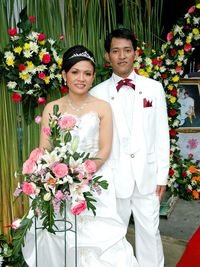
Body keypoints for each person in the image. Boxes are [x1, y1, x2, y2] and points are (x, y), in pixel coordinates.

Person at [22, 45, 139, 267]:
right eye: (75, 72)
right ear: (64, 75)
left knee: (102, 241)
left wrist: (82, 174)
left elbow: (104, 149)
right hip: (60, 184)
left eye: (87, 73)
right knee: (59, 237)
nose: (81, 78)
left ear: (93, 76)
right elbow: (45, 150)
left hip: (94, 182)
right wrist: (60, 178)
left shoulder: (102, 107)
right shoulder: (51, 108)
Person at [90, 28, 170, 267]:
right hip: (113, 179)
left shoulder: (154, 88)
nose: (122, 56)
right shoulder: (97, 93)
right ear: (107, 56)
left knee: (150, 233)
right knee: (113, 236)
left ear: (135, 53)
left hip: (147, 177)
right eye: (116, 51)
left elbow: (161, 134)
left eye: (127, 50)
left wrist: (162, 175)